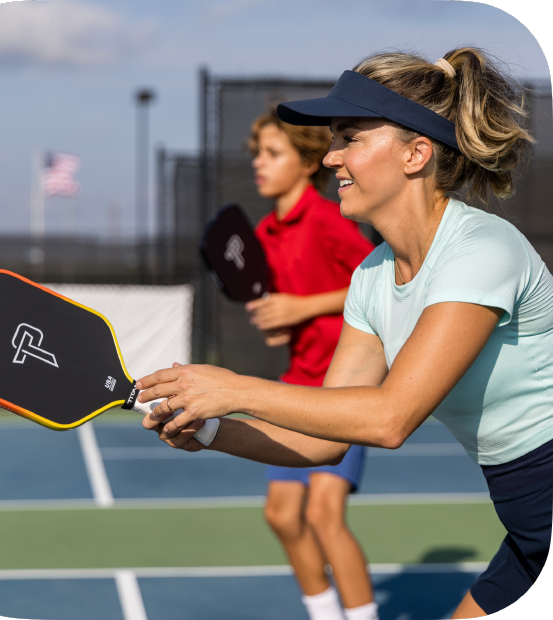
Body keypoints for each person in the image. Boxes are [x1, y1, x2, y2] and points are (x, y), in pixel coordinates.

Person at [139, 48, 544, 619]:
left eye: (349, 137)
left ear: (416, 153)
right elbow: (323, 441)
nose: (330, 158)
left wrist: (235, 388)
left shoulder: (481, 250)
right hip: (529, 529)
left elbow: (389, 418)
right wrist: (209, 430)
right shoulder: (372, 278)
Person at [247, 109, 376, 620]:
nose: (259, 162)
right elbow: (286, 302)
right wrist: (283, 322)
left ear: (306, 163)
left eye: (272, 153)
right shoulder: (266, 231)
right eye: (256, 152)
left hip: (345, 385)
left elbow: (374, 286)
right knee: (281, 515)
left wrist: (302, 307)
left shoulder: (330, 219)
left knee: (324, 515)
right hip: (298, 380)